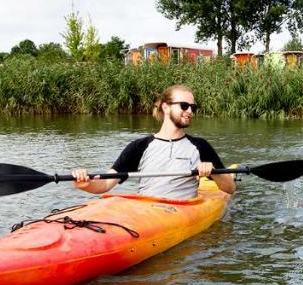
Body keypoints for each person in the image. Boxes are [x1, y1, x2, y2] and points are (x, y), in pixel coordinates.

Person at [72, 85, 237, 199]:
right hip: (146, 212)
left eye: (193, 107)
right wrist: (86, 184)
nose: (190, 111)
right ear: (165, 107)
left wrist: (213, 172)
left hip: (182, 210)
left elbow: (230, 188)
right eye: (184, 106)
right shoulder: (139, 146)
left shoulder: (200, 146)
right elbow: (106, 184)